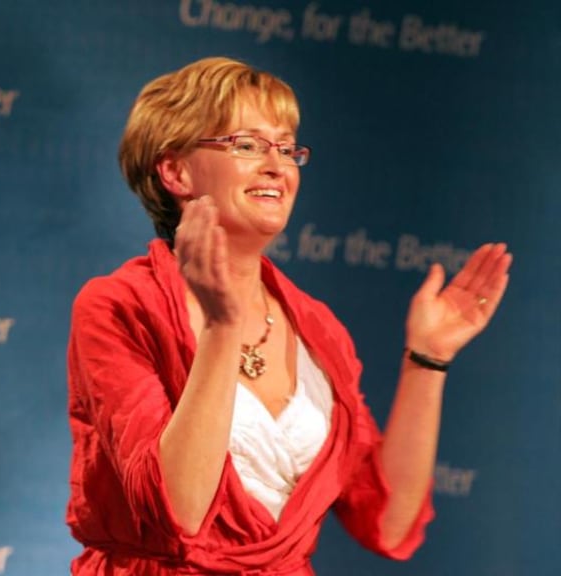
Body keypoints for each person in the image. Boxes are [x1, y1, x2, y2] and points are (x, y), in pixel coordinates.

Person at [65, 56, 512, 575]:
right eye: (247, 145)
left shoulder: (318, 328)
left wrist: (427, 360)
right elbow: (177, 508)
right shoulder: (120, 306)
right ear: (175, 170)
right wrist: (223, 326)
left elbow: (386, 521)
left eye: (286, 147)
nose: (277, 165)